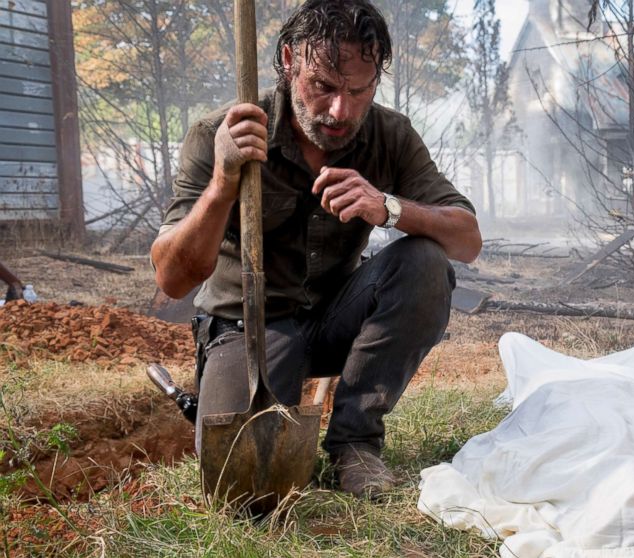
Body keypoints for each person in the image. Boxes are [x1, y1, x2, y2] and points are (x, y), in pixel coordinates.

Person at [150, 0, 481, 499]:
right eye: (323, 86)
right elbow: (173, 279)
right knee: (245, 495)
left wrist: (388, 207)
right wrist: (223, 182)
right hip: (249, 327)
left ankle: (355, 444)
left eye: (358, 90)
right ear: (288, 61)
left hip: (334, 320)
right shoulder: (218, 134)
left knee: (425, 263)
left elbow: (467, 240)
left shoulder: (390, 135)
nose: (339, 111)